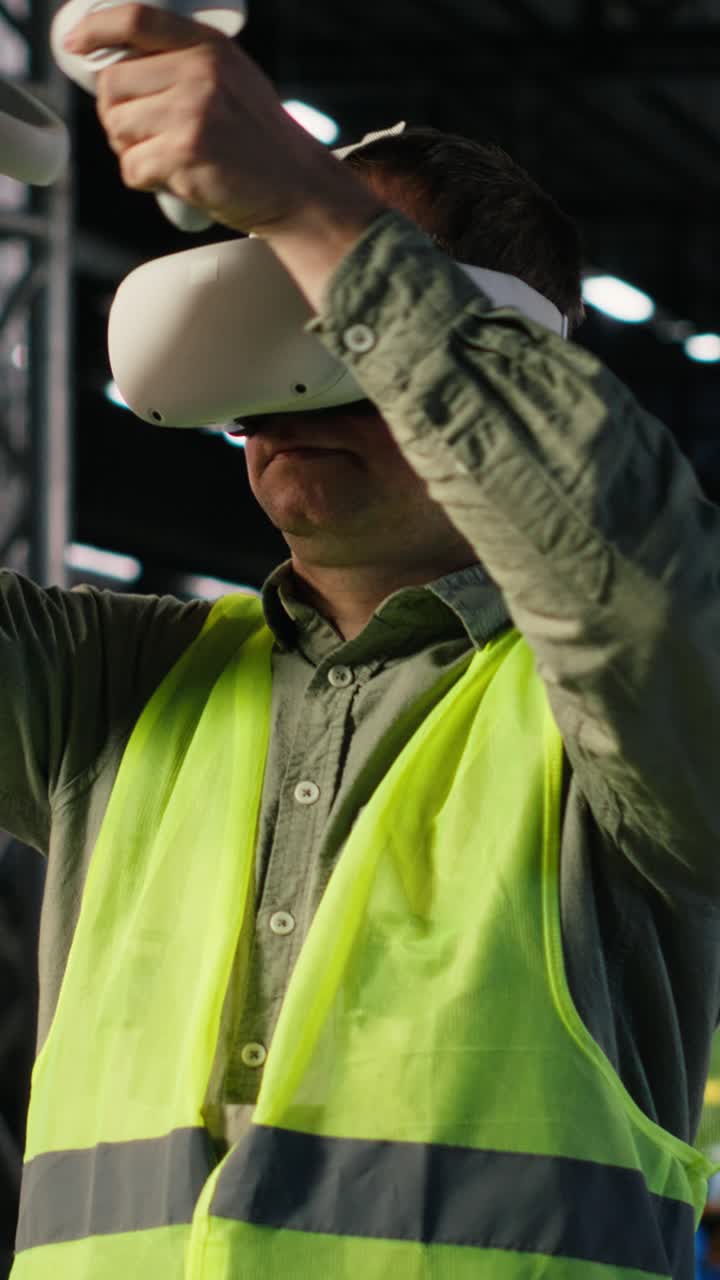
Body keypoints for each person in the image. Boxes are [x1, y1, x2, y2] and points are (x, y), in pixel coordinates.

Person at [5, 5, 720, 1278]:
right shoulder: (113, 689)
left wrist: (300, 198)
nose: (285, 387)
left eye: (339, 324)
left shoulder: (612, 719)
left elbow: (632, 560)